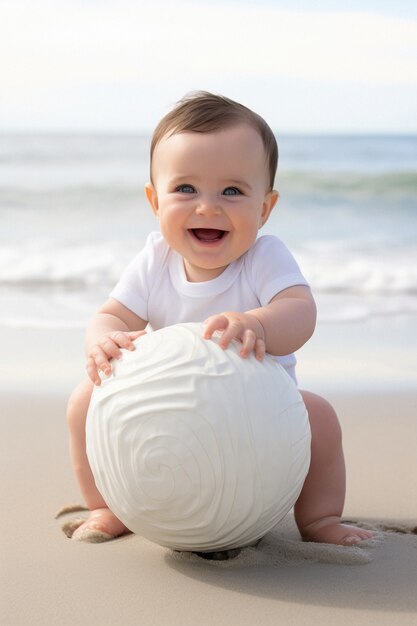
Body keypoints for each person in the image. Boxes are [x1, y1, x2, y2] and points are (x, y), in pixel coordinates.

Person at [66, 91, 373, 546]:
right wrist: (104, 339)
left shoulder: (264, 257)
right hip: (169, 417)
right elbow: (111, 314)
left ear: (264, 208)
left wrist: (261, 324)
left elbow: (301, 311)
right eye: (185, 188)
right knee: (82, 400)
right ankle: (107, 505)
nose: (208, 206)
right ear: (155, 200)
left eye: (232, 191)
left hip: (261, 415)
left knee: (320, 415)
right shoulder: (155, 259)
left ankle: (320, 519)